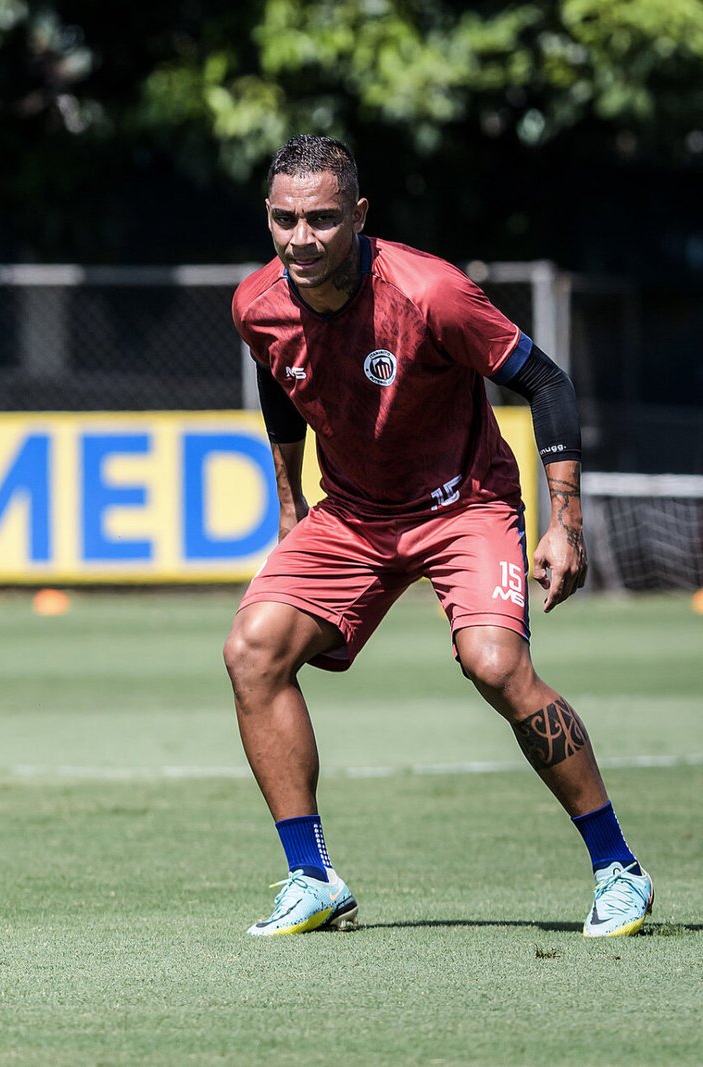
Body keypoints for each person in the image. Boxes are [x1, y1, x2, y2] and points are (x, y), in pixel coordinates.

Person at [225, 134, 652, 938]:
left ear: (358, 215)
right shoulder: (256, 303)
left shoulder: (431, 292)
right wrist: (288, 505)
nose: (300, 238)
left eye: (320, 218)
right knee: (253, 650)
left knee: (494, 664)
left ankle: (618, 866)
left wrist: (566, 522)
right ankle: (311, 877)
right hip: (352, 513)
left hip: (466, 505)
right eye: (284, 219)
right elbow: (278, 385)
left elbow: (545, 381)